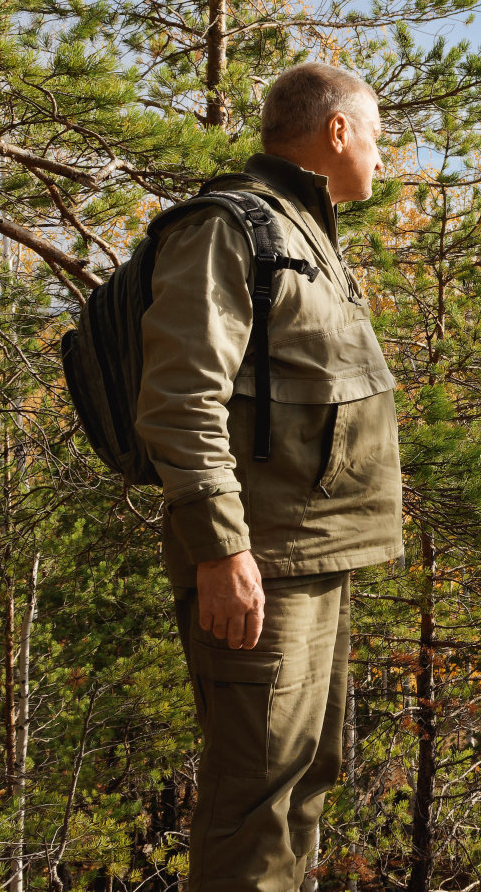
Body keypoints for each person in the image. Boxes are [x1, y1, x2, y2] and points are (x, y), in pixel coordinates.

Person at [134, 62, 404, 891]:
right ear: (337, 133)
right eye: (378, 139)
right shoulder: (231, 228)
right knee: (255, 799)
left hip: (309, 556)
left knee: (301, 785)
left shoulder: (304, 233)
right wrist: (221, 550)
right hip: (263, 564)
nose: (384, 161)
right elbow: (180, 397)